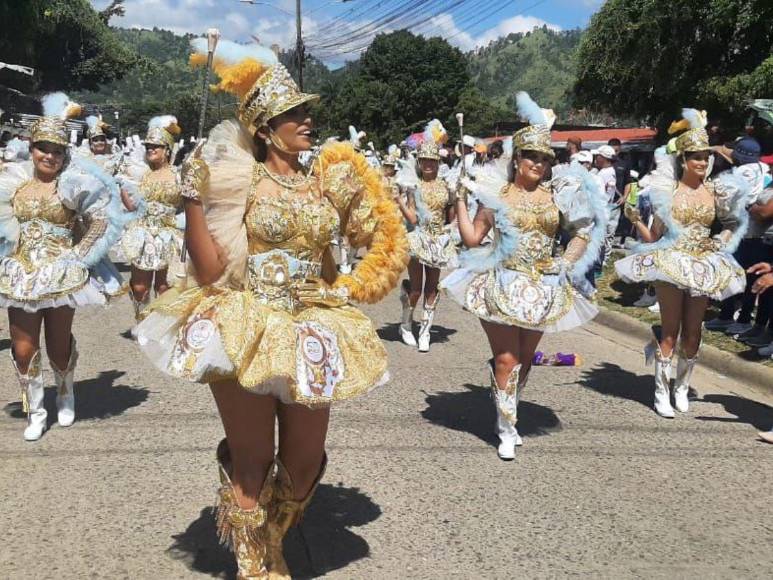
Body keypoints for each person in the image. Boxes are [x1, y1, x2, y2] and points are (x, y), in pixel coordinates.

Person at [134, 40, 407, 578]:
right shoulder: (241, 178)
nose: (307, 121)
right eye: (294, 114)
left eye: (306, 112)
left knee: (304, 466)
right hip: (248, 322)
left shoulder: (330, 178)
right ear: (264, 127)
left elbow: (385, 239)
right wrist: (192, 199)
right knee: (254, 461)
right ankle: (257, 559)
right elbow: (211, 271)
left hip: (312, 329)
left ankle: (271, 531)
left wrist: (347, 288)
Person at [442, 92, 606, 460]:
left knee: (526, 360)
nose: (537, 163)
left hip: (542, 286)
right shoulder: (495, 194)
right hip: (500, 281)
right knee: (507, 359)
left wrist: (566, 262)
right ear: (516, 158)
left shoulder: (557, 195)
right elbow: (472, 238)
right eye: (531, 155)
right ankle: (506, 425)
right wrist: (457, 201)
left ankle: (506, 402)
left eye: (544, 158)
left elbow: (582, 231)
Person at [0, 93, 127, 441]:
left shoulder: (72, 184)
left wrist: (79, 255)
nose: (49, 157)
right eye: (43, 149)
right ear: (32, 147)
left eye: (56, 151)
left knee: (57, 345)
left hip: (60, 272)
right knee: (23, 347)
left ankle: (65, 390)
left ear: (65, 154)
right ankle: (36, 411)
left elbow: (101, 221)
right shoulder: (13, 182)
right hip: (20, 273)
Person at [615, 109, 750, 418]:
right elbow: (655, 236)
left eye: (705, 158)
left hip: (703, 264)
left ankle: (682, 387)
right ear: (683, 161)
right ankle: (661, 391)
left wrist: (721, 240)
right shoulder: (669, 192)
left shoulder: (717, 192)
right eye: (695, 158)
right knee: (670, 331)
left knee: (693, 332)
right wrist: (636, 220)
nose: (702, 163)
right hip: (672, 263)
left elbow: (731, 221)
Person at [394, 121, 457, 352]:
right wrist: (399, 201)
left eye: (432, 161)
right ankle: (406, 324)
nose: (429, 165)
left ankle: (426, 332)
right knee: (417, 289)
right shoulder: (413, 185)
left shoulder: (446, 185)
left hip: (438, 240)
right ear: (419, 163)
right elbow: (412, 218)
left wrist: (454, 225)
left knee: (432, 289)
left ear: (438, 163)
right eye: (425, 161)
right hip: (417, 238)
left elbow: (451, 213)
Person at [120, 116, 184, 319]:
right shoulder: (140, 174)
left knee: (164, 286)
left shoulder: (179, 175)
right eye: (148, 146)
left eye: (156, 146)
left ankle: (159, 325)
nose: (151, 149)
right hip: (142, 233)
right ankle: (141, 317)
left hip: (169, 234)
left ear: (167, 149)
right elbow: (131, 205)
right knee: (140, 286)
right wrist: (123, 191)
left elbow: (188, 204)